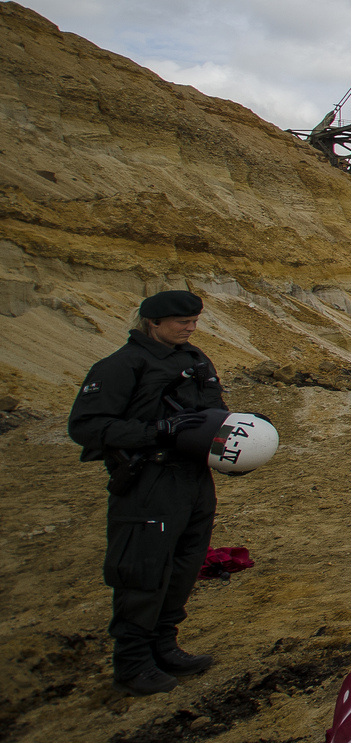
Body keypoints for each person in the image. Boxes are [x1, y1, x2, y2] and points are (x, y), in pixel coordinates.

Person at [67, 290, 231, 696]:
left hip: (194, 478)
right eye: (182, 322)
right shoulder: (121, 365)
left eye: (194, 321)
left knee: (185, 563)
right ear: (153, 322)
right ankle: (133, 662)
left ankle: (164, 645)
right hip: (148, 480)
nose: (191, 328)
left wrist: (239, 428)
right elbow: (86, 426)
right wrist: (155, 431)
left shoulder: (195, 359)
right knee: (143, 568)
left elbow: (213, 410)